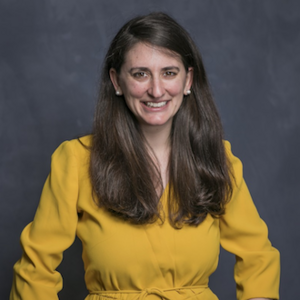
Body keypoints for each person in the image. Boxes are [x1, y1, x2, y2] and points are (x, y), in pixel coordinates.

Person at [10, 12, 280, 300]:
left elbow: (258, 259)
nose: (156, 90)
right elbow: (35, 269)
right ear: (116, 81)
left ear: (188, 80)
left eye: (169, 72)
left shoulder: (218, 159)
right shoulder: (75, 160)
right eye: (140, 74)